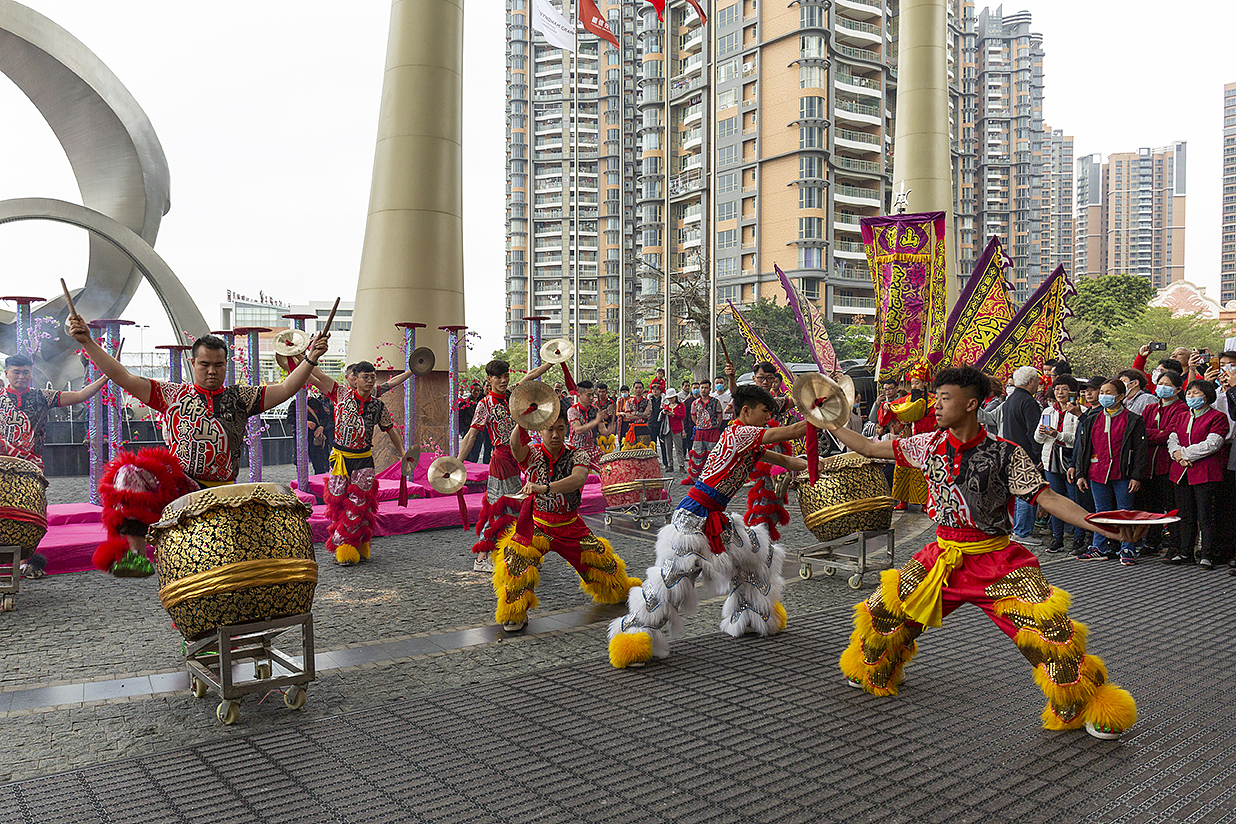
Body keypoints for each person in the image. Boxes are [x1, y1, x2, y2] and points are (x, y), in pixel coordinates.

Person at [826, 365, 1137, 740]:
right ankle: (878, 667)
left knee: (1051, 633)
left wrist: (1098, 523)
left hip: (996, 561)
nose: (936, 406)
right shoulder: (925, 444)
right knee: (883, 610)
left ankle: (1081, 702)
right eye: (936, 397)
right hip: (941, 556)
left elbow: (1048, 497)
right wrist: (827, 419)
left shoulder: (1006, 453)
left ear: (971, 404)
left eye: (944, 398)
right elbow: (869, 446)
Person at [67, 317, 328, 576]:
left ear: (227, 366)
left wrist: (311, 358)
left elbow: (285, 388)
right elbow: (121, 376)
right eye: (204, 364)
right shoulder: (171, 395)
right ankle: (135, 555)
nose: (211, 371)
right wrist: (88, 342)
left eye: (218, 365)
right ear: (193, 363)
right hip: (182, 488)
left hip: (223, 491)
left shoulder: (241, 398)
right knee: (128, 472)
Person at [608, 384, 808, 668]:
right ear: (746, 411)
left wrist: (816, 464)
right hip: (693, 518)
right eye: (765, 412)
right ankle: (631, 637)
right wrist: (820, 416)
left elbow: (786, 459)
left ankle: (749, 615)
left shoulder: (749, 441)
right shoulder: (740, 433)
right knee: (670, 585)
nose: (768, 418)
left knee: (755, 554)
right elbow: (791, 432)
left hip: (716, 517)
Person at [493, 406, 642, 632]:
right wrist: (523, 419)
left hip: (570, 525)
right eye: (550, 429)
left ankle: (621, 590)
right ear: (541, 430)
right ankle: (515, 611)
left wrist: (544, 488)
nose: (555, 435)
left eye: (560, 429)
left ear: (566, 430)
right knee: (515, 561)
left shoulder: (577, 453)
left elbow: (578, 479)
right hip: (537, 526)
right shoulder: (532, 453)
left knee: (605, 566)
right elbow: (515, 447)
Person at [302, 361, 406, 565]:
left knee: (358, 505)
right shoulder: (340, 394)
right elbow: (316, 373)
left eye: (372, 377)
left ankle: (346, 548)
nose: (369, 380)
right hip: (340, 458)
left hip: (363, 459)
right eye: (365, 377)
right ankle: (355, 543)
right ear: (354, 378)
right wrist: (301, 357)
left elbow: (390, 429)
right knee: (338, 503)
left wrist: (402, 452)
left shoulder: (378, 404)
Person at [457, 358, 554, 572]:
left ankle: (512, 552)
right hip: (501, 461)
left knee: (515, 507)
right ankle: (482, 557)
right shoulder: (485, 404)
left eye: (505, 376)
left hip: (520, 458)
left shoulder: (512, 394)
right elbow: (472, 434)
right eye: (498, 377)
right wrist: (458, 463)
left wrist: (550, 363)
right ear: (489, 379)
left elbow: (529, 377)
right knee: (498, 508)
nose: (503, 380)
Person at [1071, 379, 1147, 565]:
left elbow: (1140, 450)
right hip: (1097, 473)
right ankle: (1099, 547)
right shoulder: (1092, 419)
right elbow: (1083, 448)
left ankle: (1127, 548)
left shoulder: (1133, 419)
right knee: (1101, 512)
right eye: (1102, 392)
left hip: (1123, 474)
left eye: (1108, 392)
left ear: (1121, 396)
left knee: (1125, 512)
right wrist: (1081, 474)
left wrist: (1136, 475)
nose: (1103, 395)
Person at [1, 353, 107, 472]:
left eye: (26, 372)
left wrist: (105, 377)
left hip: (31, 466)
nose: (21, 376)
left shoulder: (43, 396)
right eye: (16, 372)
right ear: (6, 374)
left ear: (31, 374)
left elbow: (80, 395)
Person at [1166, 379, 1228, 568]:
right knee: (1185, 514)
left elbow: (1213, 443)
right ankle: (1185, 552)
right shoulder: (1182, 416)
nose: (1191, 396)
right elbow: (1173, 437)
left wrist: (1185, 454)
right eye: (1190, 393)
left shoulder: (1217, 417)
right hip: (1181, 471)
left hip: (1205, 471)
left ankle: (1207, 553)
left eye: (1196, 393)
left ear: (1207, 397)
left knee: (1205, 515)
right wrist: (1177, 455)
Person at [877, 361, 937, 511]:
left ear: (924, 383)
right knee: (902, 468)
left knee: (923, 470)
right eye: (912, 383)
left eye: (917, 383)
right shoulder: (906, 399)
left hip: (925, 440)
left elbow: (937, 420)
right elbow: (888, 412)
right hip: (908, 439)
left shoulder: (934, 401)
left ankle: (925, 502)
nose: (914, 386)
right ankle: (902, 500)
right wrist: (885, 407)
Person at [1141, 371, 1188, 559]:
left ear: (1177, 389)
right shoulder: (1150, 408)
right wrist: (1157, 433)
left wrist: (1153, 434)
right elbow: (1141, 433)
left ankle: (1175, 545)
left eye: (1167, 384)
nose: (1162, 386)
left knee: (1172, 507)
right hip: (1148, 465)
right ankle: (1152, 542)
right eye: (1160, 383)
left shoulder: (1181, 409)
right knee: (1151, 506)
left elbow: (1171, 434)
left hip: (1168, 465)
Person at [1034, 375, 1082, 553]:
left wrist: (1057, 435)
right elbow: (1039, 439)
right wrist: (1042, 432)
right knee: (1054, 500)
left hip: (1069, 460)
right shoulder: (1048, 411)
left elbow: (1077, 440)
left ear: (1071, 391)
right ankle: (1057, 537)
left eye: (1063, 389)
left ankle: (1078, 538)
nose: (1060, 392)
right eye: (1057, 389)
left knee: (1074, 500)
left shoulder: (1078, 411)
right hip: (1050, 460)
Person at [285, 388, 332, 475]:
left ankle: (319, 483)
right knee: (300, 463)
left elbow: (326, 417)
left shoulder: (316, 402)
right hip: (300, 438)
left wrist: (321, 427)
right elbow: (289, 419)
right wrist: (304, 423)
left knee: (319, 463)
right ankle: (302, 485)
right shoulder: (295, 403)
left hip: (315, 437)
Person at [683, 379, 722, 485]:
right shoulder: (695, 403)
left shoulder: (715, 402)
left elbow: (719, 417)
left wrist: (713, 426)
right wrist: (700, 425)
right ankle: (695, 477)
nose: (704, 390)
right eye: (702, 388)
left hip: (712, 432)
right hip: (700, 432)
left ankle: (712, 477)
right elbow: (693, 417)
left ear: (710, 389)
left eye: (706, 388)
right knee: (697, 455)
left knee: (713, 455)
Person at [567, 379, 609, 468]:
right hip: (577, 450)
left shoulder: (595, 410)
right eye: (588, 395)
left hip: (594, 449)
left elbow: (603, 430)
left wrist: (612, 426)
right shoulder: (573, 410)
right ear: (579, 395)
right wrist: (596, 421)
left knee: (607, 469)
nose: (591, 398)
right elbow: (578, 430)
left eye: (592, 394)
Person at [458, 383, 492, 464]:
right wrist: (463, 430)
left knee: (476, 452)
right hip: (468, 431)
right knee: (468, 453)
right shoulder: (465, 402)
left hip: (479, 432)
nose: (476, 392)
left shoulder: (482, 401)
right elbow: (460, 418)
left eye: (478, 390)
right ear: (470, 391)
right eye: (474, 390)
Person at [659, 388, 686, 471]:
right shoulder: (666, 406)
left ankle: (681, 465)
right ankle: (670, 465)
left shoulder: (681, 405)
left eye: (672, 397)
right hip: (667, 429)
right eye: (669, 398)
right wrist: (663, 413)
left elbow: (683, 416)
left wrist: (674, 414)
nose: (671, 399)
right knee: (668, 448)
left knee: (679, 448)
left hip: (677, 429)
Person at [621, 381, 652, 445]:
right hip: (632, 428)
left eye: (640, 388)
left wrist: (634, 413)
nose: (638, 389)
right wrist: (642, 414)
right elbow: (628, 416)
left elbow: (648, 415)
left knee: (645, 450)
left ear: (643, 389)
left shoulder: (648, 401)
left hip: (644, 428)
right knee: (631, 450)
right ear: (633, 389)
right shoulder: (629, 402)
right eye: (636, 388)